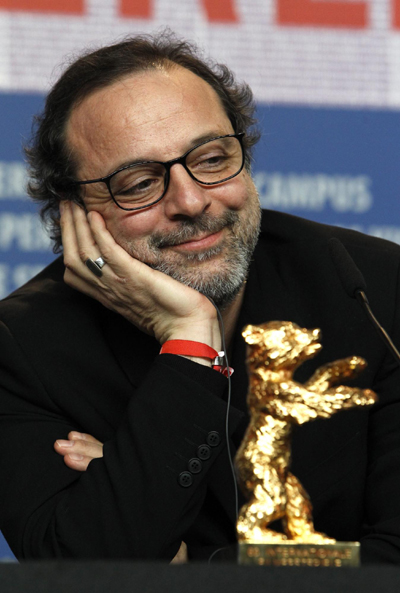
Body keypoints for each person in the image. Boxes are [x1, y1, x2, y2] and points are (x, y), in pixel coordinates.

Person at [0, 32, 400, 564]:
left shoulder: (373, 289)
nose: (190, 201)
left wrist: (199, 565)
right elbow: (80, 568)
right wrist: (189, 340)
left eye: (211, 159)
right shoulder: (19, 349)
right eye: (139, 183)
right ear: (73, 210)